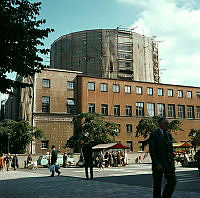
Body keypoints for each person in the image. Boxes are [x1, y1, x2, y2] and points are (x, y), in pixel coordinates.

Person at [149, 117, 176, 198]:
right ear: (160, 124)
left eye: (168, 123)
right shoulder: (154, 134)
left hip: (168, 164)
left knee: (172, 182)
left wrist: (172, 162)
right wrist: (157, 163)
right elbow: (152, 151)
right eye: (166, 123)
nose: (167, 125)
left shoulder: (169, 135)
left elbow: (170, 151)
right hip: (159, 165)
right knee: (157, 185)